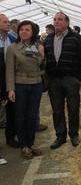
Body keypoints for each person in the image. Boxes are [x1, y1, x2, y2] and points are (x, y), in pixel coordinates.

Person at [43, 12, 81, 149]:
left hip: (70, 79)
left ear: (67, 23)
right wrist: (49, 79)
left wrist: (77, 78)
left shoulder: (76, 38)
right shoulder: (49, 39)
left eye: (60, 19)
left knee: (73, 108)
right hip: (54, 80)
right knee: (57, 110)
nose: (56, 22)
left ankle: (74, 135)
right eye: (55, 19)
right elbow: (45, 59)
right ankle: (60, 136)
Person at [6, 20, 44, 159]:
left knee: (32, 116)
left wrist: (42, 55)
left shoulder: (36, 46)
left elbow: (40, 66)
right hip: (20, 85)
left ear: (33, 32)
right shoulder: (13, 48)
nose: (23, 32)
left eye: (27, 29)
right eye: (21, 29)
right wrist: (10, 89)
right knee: (20, 116)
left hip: (36, 85)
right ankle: (24, 146)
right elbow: (9, 70)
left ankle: (31, 143)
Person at [0, 14, 19, 149]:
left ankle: (10, 138)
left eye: (8, 22)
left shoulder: (11, 39)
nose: (8, 24)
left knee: (12, 111)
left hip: (10, 79)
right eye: (5, 22)